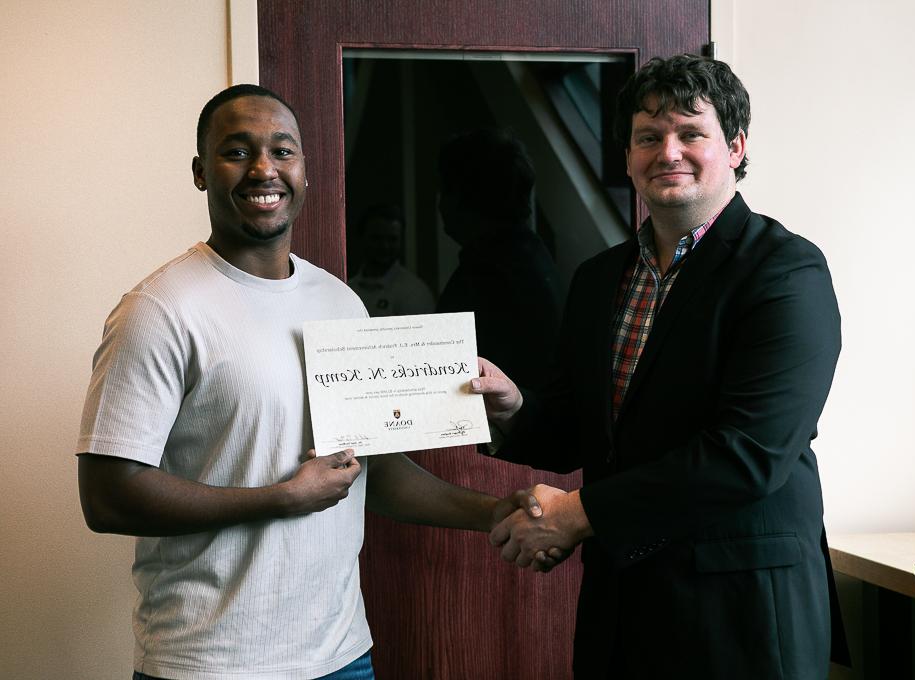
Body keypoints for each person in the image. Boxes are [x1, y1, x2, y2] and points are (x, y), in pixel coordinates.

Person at [75, 84, 541, 680]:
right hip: (209, 664)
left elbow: (379, 471)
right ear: (200, 172)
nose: (263, 168)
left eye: (282, 150)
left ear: (304, 169)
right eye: (237, 151)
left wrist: (494, 511)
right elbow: (107, 495)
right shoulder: (159, 309)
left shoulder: (340, 303)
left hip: (341, 656)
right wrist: (281, 498)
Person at [474, 55, 848, 678]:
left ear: (735, 146)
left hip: (744, 615)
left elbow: (747, 454)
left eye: (690, 133)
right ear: (627, 157)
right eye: (648, 138)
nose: (668, 152)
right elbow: (581, 424)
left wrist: (575, 514)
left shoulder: (786, 273)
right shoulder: (599, 279)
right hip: (623, 607)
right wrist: (516, 409)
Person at [437, 128, 564, 390]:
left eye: (444, 189)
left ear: (464, 196)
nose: (440, 204)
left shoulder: (489, 276)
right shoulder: (528, 257)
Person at [347, 204, 435, 317]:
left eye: (392, 239)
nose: (385, 246)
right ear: (362, 237)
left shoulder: (414, 292)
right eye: (377, 238)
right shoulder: (349, 289)